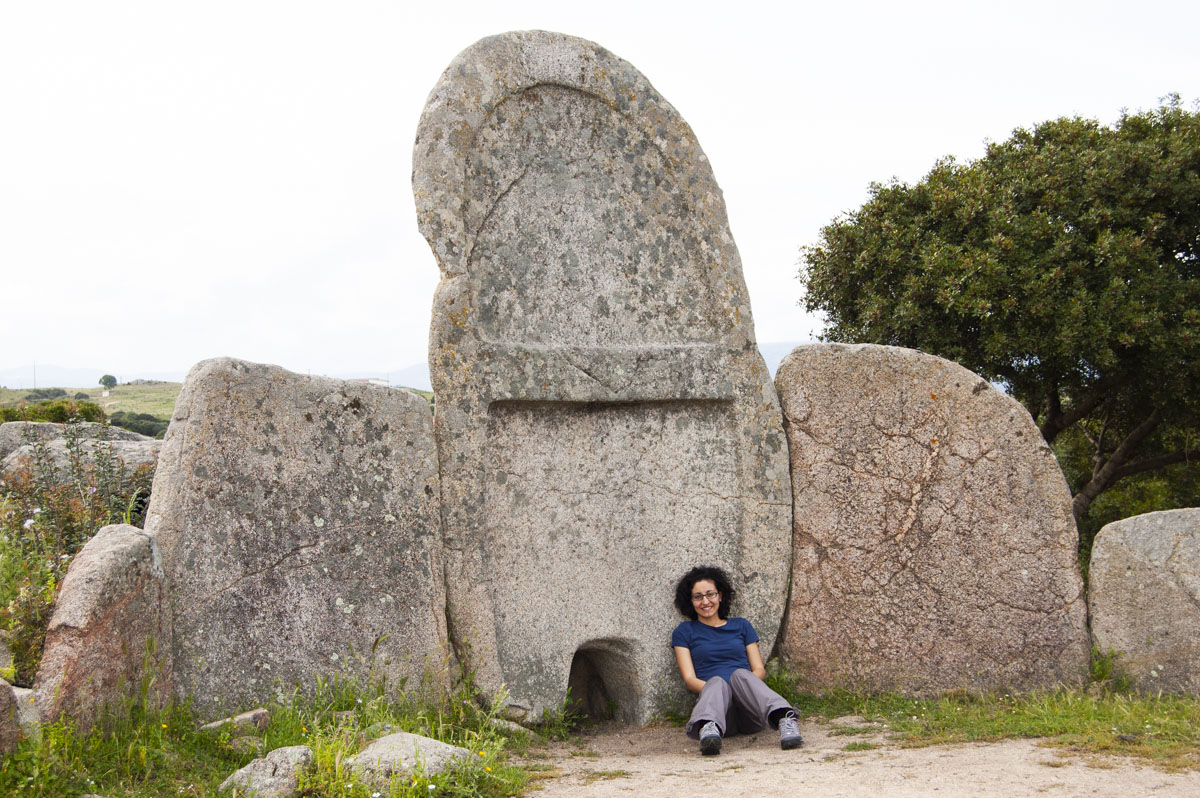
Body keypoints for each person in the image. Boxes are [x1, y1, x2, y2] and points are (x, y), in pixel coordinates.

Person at [671, 565, 803, 755]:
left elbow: (759, 670)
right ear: (690, 601)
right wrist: (720, 691)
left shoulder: (741, 625)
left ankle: (785, 718)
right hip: (719, 714)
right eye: (698, 597)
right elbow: (690, 680)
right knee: (717, 682)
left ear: (720, 596)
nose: (705, 601)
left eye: (710, 594)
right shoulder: (684, 632)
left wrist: (738, 688)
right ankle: (708, 729)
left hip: (751, 710)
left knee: (740, 674)